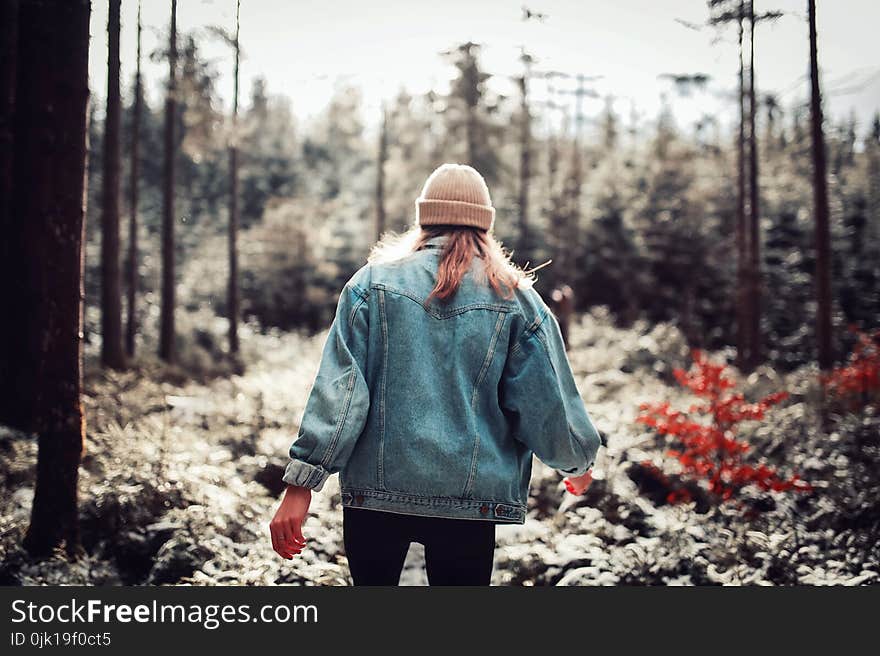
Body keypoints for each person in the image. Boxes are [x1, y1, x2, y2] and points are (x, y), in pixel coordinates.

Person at [269, 163, 604, 586]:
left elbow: (340, 393)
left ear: (424, 219)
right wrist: (576, 464)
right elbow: (546, 403)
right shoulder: (518, 299)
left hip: (375, 498)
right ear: (485, 224)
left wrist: (301, 485)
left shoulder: (370, 285)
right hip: (470, 503)